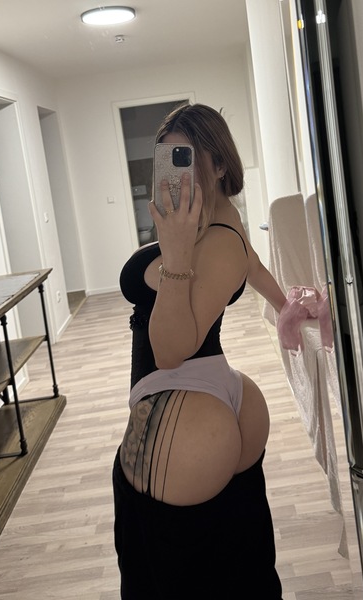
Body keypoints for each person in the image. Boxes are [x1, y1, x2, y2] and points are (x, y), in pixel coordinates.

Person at [114, 103, 287, 599]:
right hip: (214, 397)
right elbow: (250, 261)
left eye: (187, 158)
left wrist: (173, 253)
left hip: (180, 404)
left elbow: (169, 351)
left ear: (219, 163)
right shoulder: (222, 216)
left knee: (164, 577)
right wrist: (286, 305)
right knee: (243, 565)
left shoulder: (206, 239)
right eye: (167, 159)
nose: (176, 173)